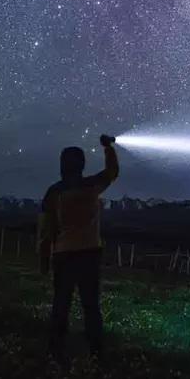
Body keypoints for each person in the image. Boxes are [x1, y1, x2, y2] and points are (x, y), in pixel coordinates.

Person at [38, 133, 119, 362]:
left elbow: (47, 230)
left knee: (61, 304)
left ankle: (55, 351)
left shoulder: (54, 192)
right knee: (91, 305)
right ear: (82, 164)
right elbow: (112, 172)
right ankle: (96, 352)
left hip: (63, 254)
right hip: (89, 252)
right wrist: (108, 148)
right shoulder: (91, 185)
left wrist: (44, 258)